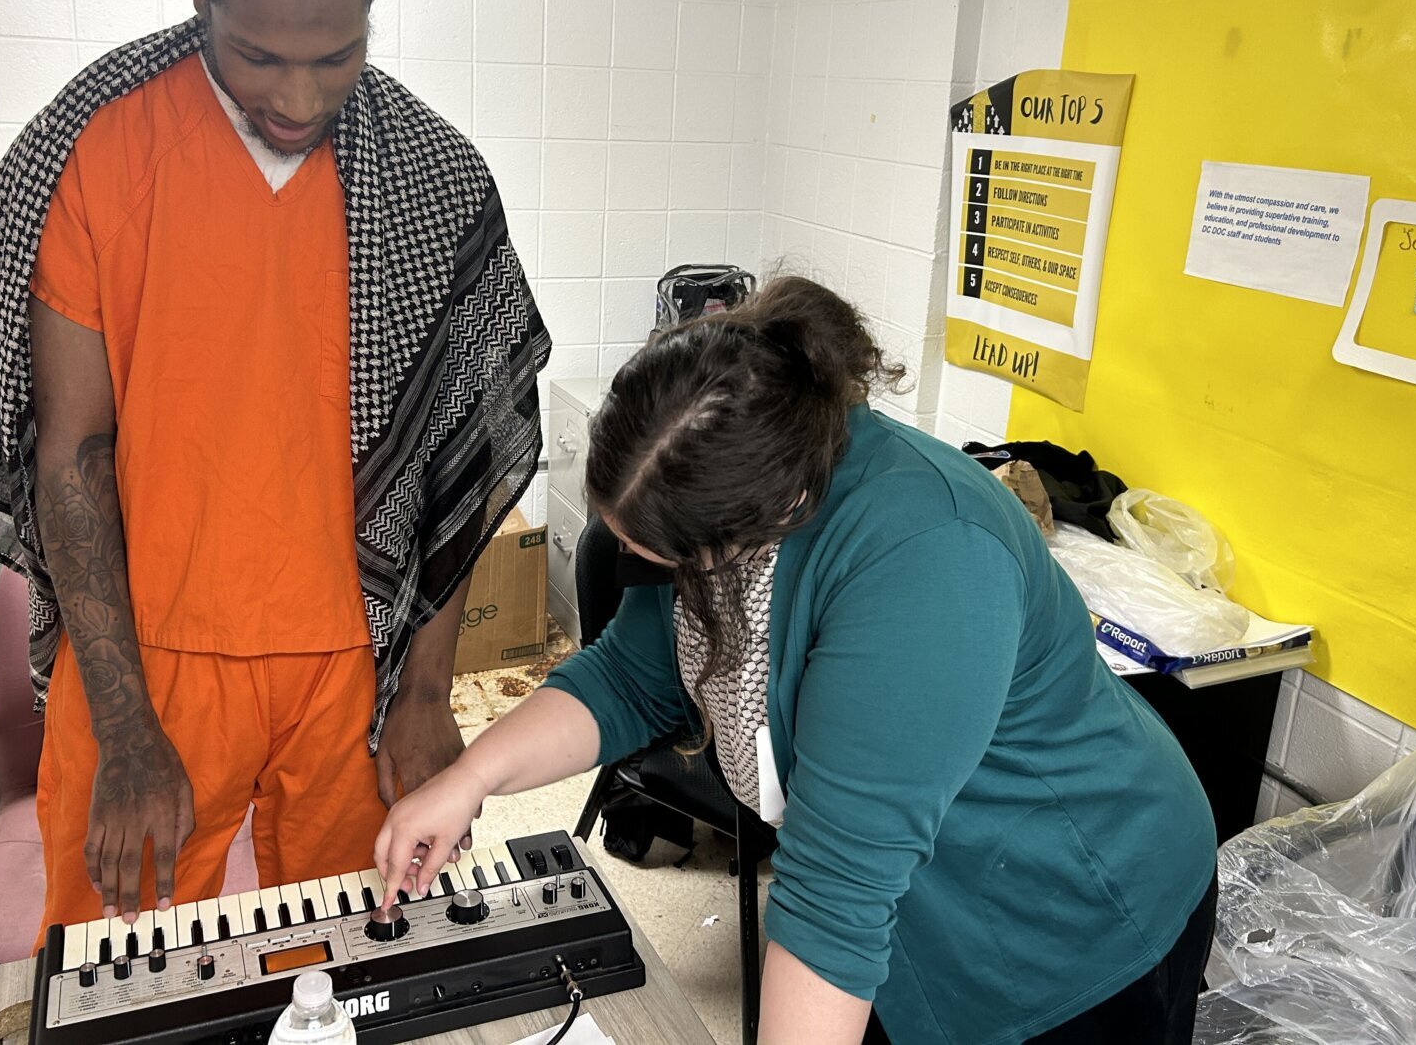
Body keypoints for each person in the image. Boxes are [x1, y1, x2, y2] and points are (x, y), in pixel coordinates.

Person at [0, 0, 548, 938]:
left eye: (337, 56)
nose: (300, 99)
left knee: (356, 952)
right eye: (259, 57)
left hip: (356, 660)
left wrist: (423, 695)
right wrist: (126, 728)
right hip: (147, 658)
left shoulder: (430, 174)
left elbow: (456, 456)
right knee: (124, 968)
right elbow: (69, 453)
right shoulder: (97, 148)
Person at [373, 276, 1218, 1044]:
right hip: (908, 911)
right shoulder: (741, 491)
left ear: (753, 524)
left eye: (660, 557)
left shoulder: (926, 559)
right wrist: (470, 778)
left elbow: (836, 897)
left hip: (1070, 904)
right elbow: (630, 676)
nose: (637, 566)